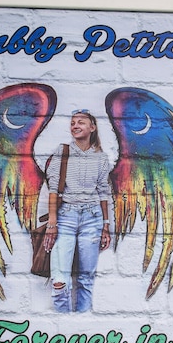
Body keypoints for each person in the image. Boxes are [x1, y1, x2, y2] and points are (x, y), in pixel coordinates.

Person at [43, 109, 112, 313]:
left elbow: (103, 192)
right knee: (60, 280)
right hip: (65, 217)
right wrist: (52, 224)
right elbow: (53, 189)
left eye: (81, 122)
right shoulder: (63, 152)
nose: (75, 126)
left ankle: (82, 325)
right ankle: (62, 326)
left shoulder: (101, 158)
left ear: (92, 127)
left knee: (85, 279)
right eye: (72, 122)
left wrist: (106, 226)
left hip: (93, 219)